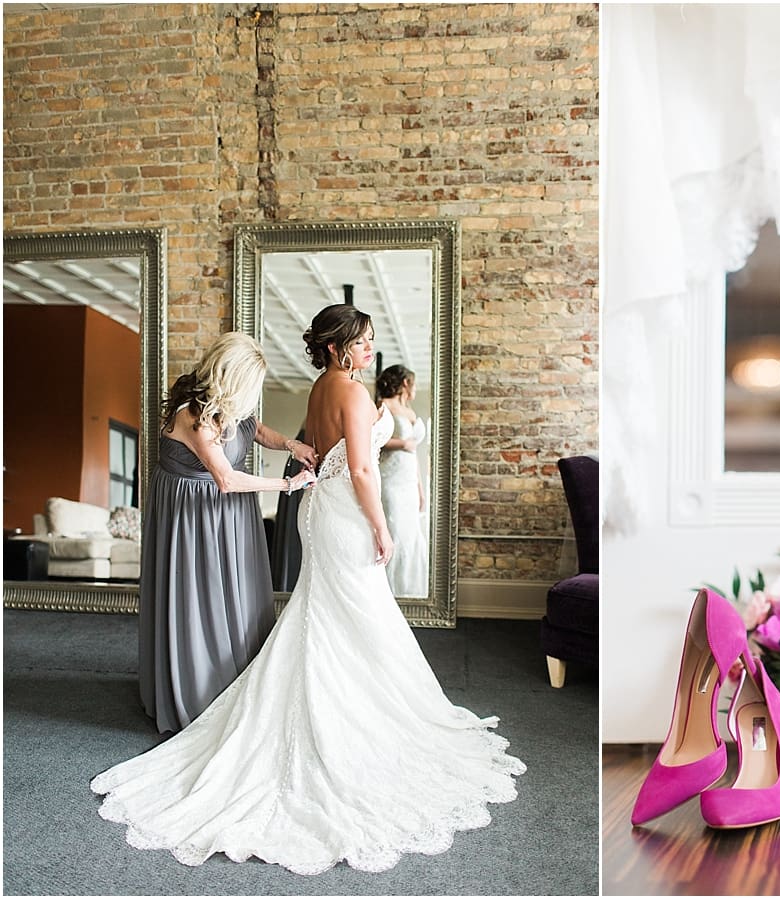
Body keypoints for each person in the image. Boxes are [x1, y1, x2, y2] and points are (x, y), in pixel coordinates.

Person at [92, 304, 525, 874]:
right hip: (345, 512)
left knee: (326, 612)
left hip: (320, 508)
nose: (372, 348)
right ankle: (361, 718)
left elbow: (285, 438)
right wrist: (381, 525)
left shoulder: (324, 385)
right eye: (365, 341)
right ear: (340, 346)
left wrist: (303, 463)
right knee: (360, 614)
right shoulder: (349, 392)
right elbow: (364, 471)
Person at [140, 332, 318, 734]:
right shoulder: (193, 415)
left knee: (237, 593)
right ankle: (200, 688)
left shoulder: (228, 409)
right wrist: (288, 486)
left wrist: (292, 444)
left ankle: (241, 676)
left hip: (228, 514)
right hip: (193, 513)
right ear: (232, 379)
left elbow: (255, 430)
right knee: (199, 595)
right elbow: (226, 479)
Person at [377, 364, 429, 597]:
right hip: (390, 479)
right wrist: (402, 443)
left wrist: (420, 488)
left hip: (409, 480)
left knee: (410, 534)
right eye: (414, 383)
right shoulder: (383, 405)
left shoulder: (410, 412)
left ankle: (411, 592)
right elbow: (371, 439)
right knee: (395, 532)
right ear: (406, 383)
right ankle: (389, 593)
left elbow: (414, 454)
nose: (415, 388)